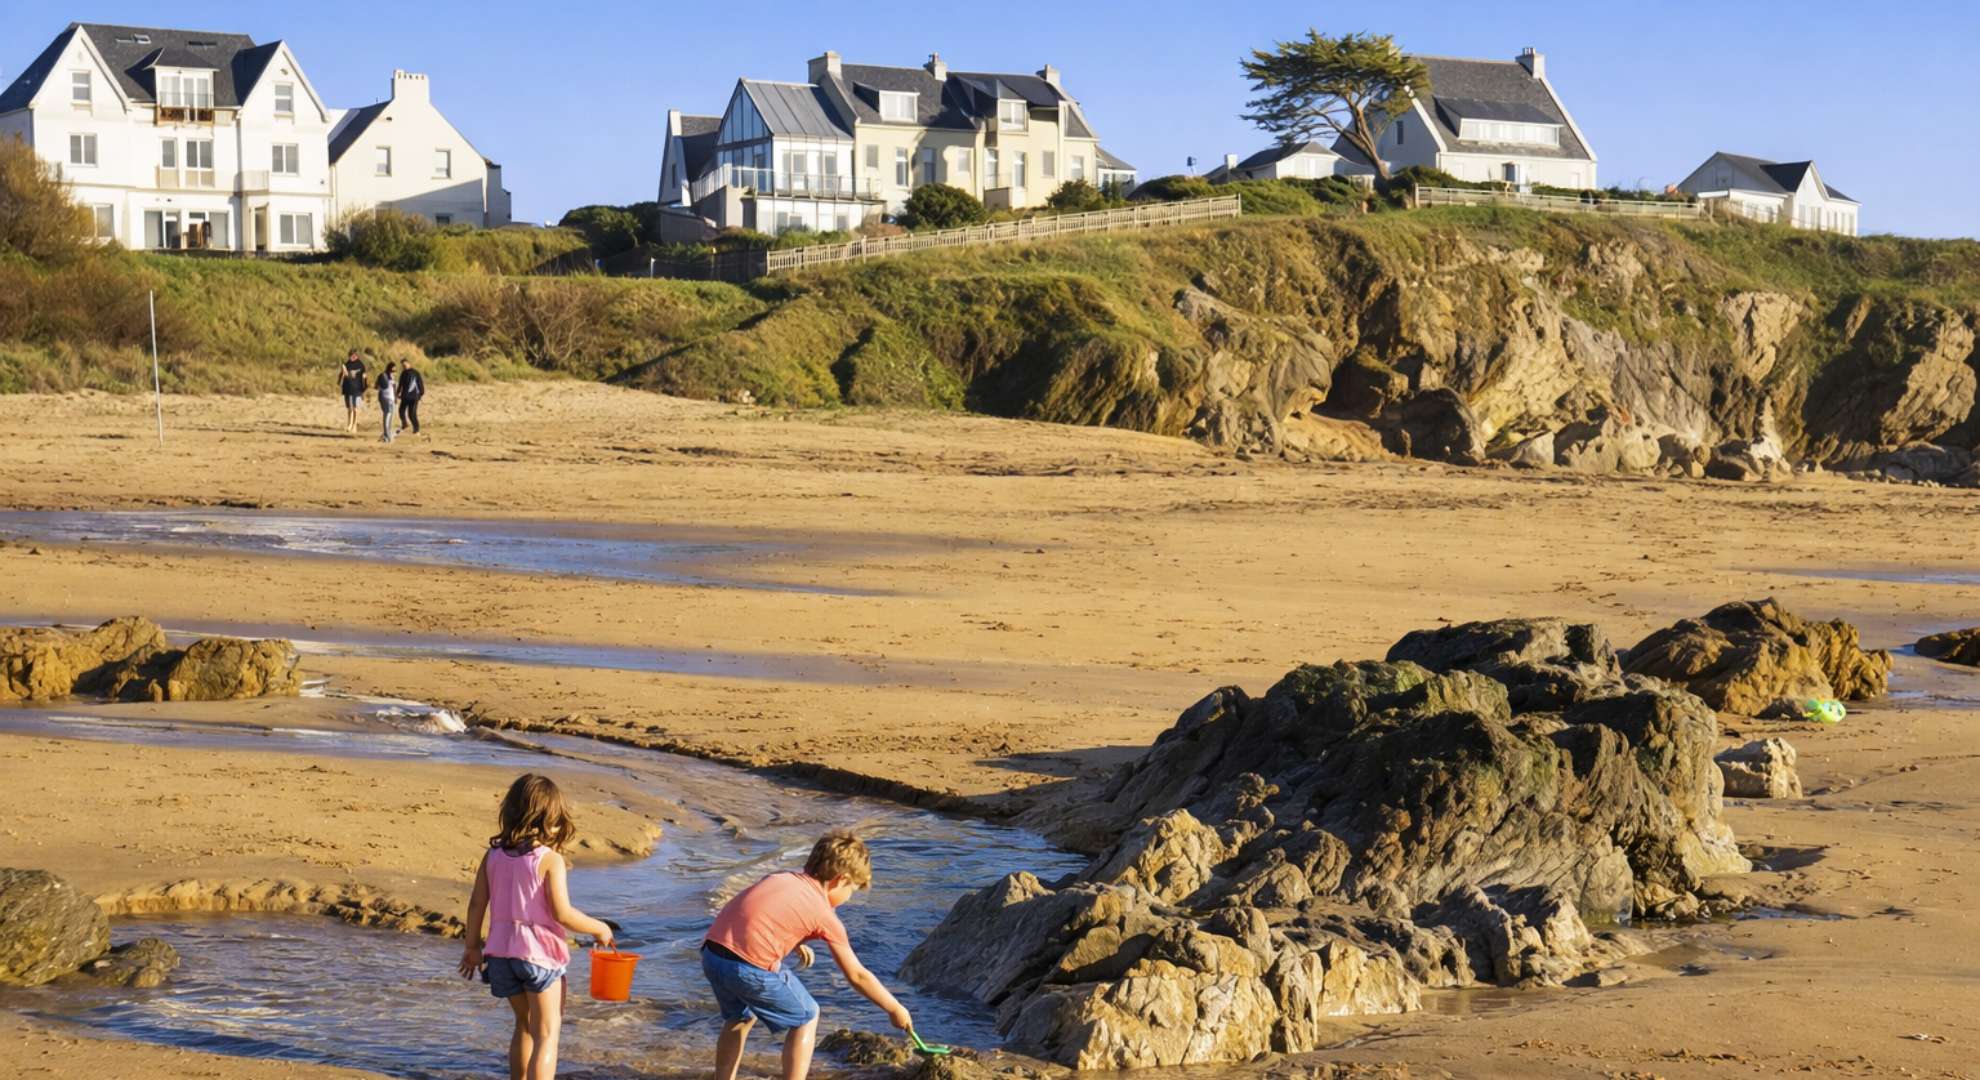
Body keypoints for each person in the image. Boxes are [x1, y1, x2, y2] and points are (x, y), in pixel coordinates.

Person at [702, 831, 912, 1080]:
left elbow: (762, 913)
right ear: (840, 880)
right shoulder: (824, 913)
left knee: (740, 1018)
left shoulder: (782, 877)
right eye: (851, 891)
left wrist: (794, 942)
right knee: (807, 1016)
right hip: (747, 967)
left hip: (712, 954)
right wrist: (894, 1008)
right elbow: (857, 975)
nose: (847, 899)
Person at [458, 774, 616, 1080]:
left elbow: (477, 904)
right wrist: (599, 928)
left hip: (500, 956)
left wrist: (471, 947)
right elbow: (563, 913)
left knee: (525, 1025)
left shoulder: (492, 855)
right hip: (538, 955)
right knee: (548, 1033)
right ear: (550, 821)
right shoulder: (549, 860)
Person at [338, 350, 367, 433]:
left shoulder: (361, 365)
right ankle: (349, 424)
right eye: (350, 355)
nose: (351, 357)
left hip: (357, 389)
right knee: (350, 408)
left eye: (353, 355)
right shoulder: (346, 364)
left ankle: (354, 425)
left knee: (355, 408)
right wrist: (342, 375)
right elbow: (342, 377)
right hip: (348, 389)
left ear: (356, 356)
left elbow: (364, 378)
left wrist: (364, 389)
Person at [397, 361, 426, 436]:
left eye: (405, 365)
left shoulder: (415, 373)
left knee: (412, 414)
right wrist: (397, 393)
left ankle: (416, 430)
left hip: (414, 397)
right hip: (405, 396)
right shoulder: (403, 373)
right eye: (403, 365)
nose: (404, 366)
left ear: (409, 364)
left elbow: (420, 385)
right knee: (401, 411)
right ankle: (404, 424)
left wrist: (420, 395)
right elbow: (400, 384)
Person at [376, 362, 398, 442]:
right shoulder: (384, 376)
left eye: (395, 370)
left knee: (390, 418)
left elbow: (394, 389)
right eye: (393, 370)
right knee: (387, 416)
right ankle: (387, 435)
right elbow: (377, 386)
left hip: (389, 399)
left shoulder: (390, 377)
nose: (394, 372)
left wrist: (396, 398)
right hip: (386, 398)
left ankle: (387, 434)